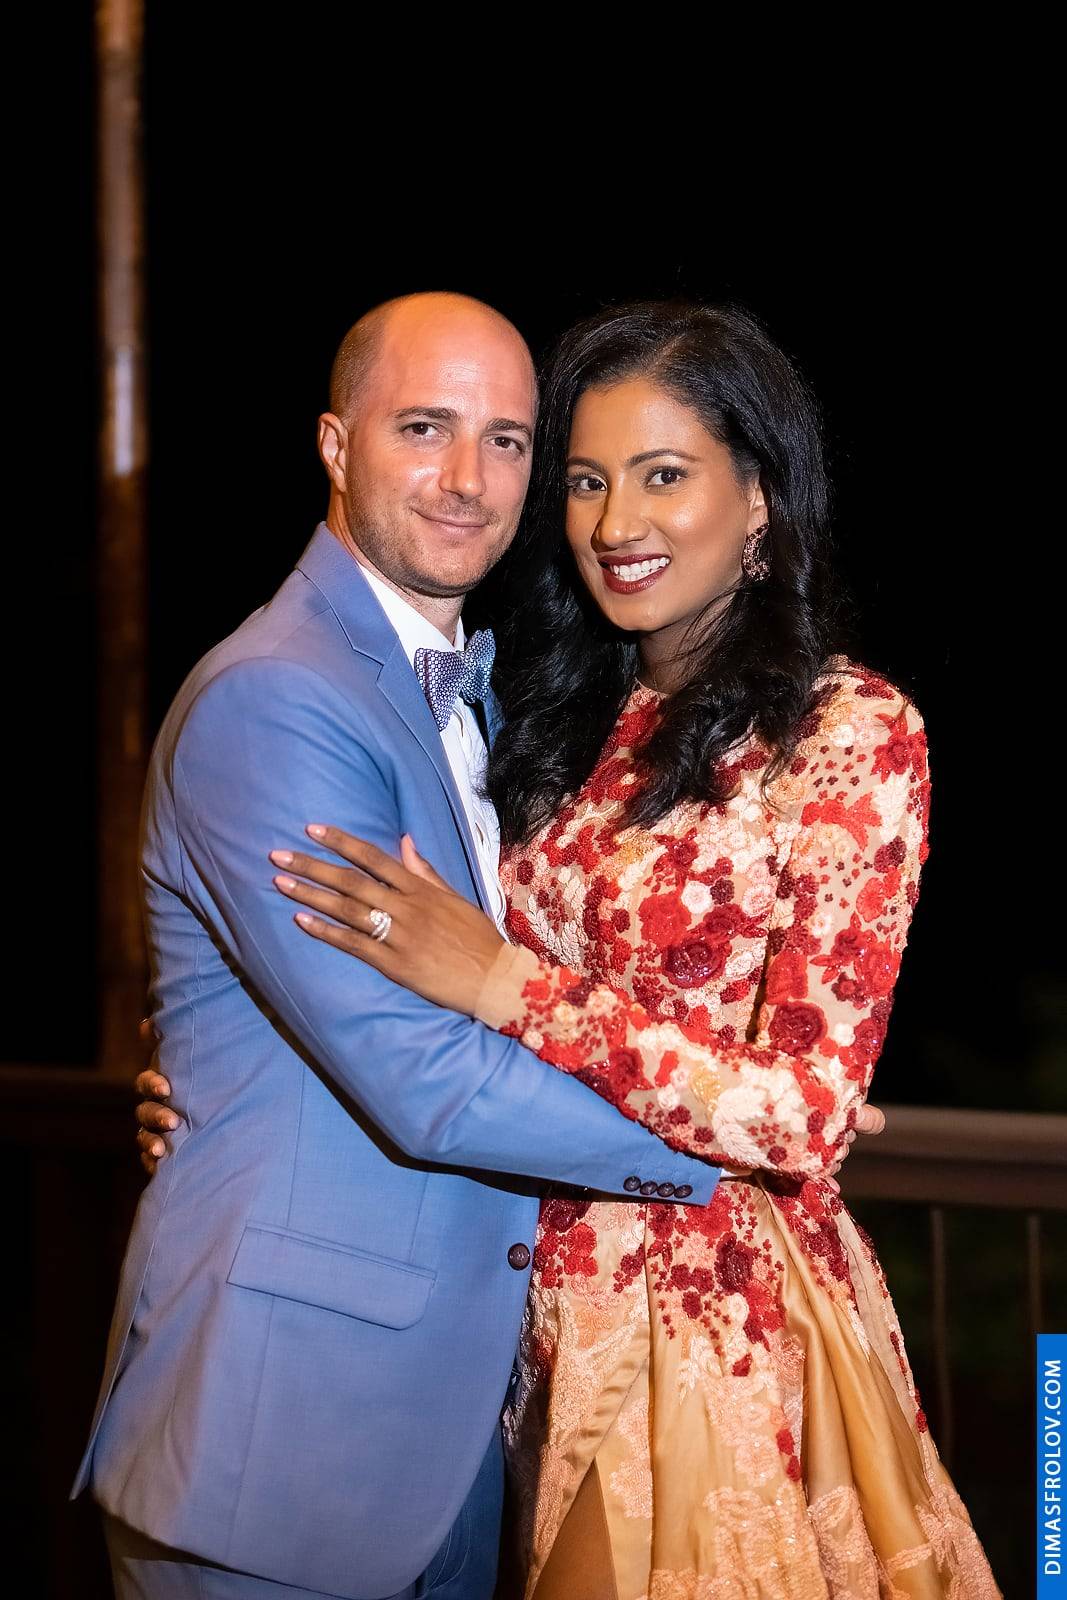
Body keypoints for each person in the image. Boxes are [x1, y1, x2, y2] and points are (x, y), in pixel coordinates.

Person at [256, 302, 1001, 1595]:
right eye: (588, 481)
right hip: (506, 1303)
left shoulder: (849, 732)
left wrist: (510, 985)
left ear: (758, 497)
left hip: (702, 1313)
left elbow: (803, 1116)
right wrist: (233, 1087)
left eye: (664, 476)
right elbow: (400, 966)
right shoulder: (560, 716)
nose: (615, 525)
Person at [74, 292, 732, 1600]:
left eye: (506, 441)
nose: (468, 478)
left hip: (451, 1434)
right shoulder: (277, 696)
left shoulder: (486, 692)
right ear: (335, 445)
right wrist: (731, 1150)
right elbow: (423, 1075)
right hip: (280, 1445)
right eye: (424, 427)